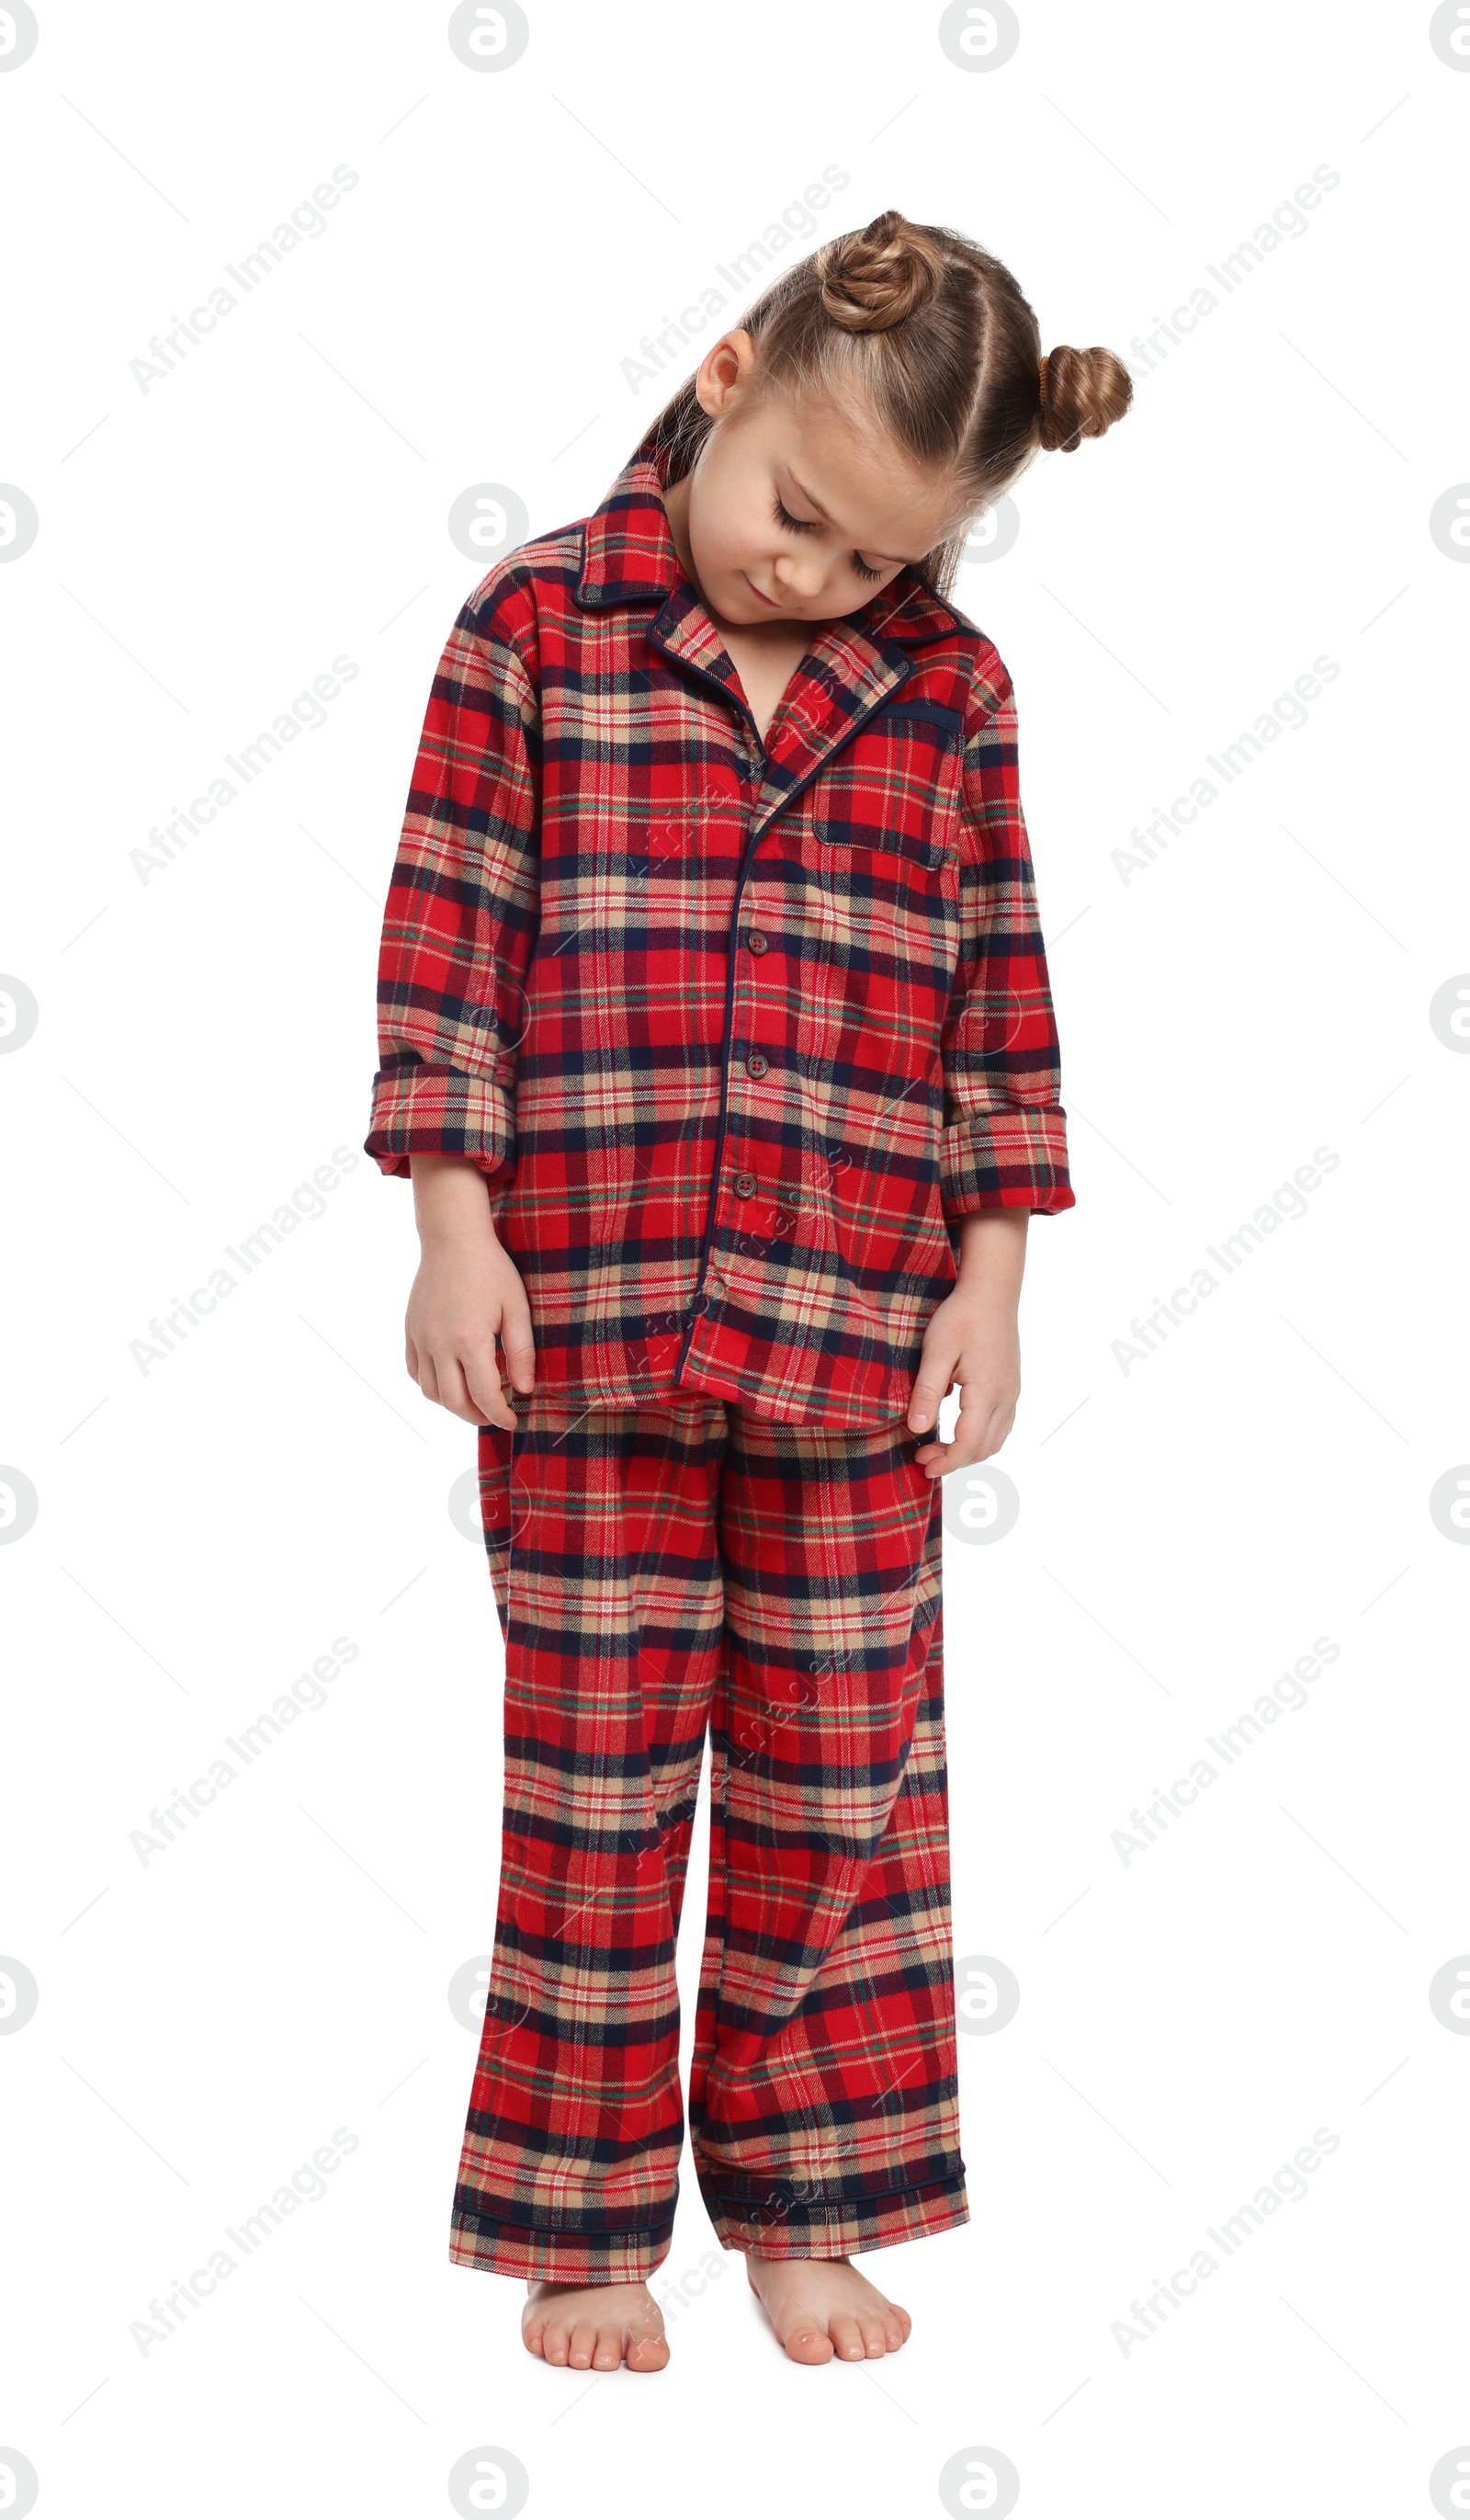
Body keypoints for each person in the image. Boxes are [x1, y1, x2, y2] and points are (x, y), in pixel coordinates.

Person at [364, 208, 1131, 2375]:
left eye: (872, 560)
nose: (809, 576)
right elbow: (447, 940)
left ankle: (810, 2203)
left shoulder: (950, 698)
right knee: (595, 1790)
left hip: (856, 1335)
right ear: (722, 380)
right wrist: (450, 1224)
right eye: (794, 513)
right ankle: (578, 2227)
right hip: (580, 1329)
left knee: (843, 1798)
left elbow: (1002, 1013)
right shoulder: (530, 628)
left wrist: (992, 1286)